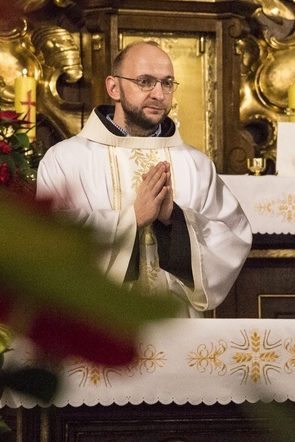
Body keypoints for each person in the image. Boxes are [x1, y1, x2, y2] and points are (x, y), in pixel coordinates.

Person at [37, 41, 252, 317]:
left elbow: (232, 238)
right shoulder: (66, 159)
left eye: (167, 83)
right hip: (100, 326)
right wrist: (132, 219)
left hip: (177, 326)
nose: (159, 94)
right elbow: (52, 240)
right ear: (114, 87)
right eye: (145, 82)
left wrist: (173, 221)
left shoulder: (196, 164)